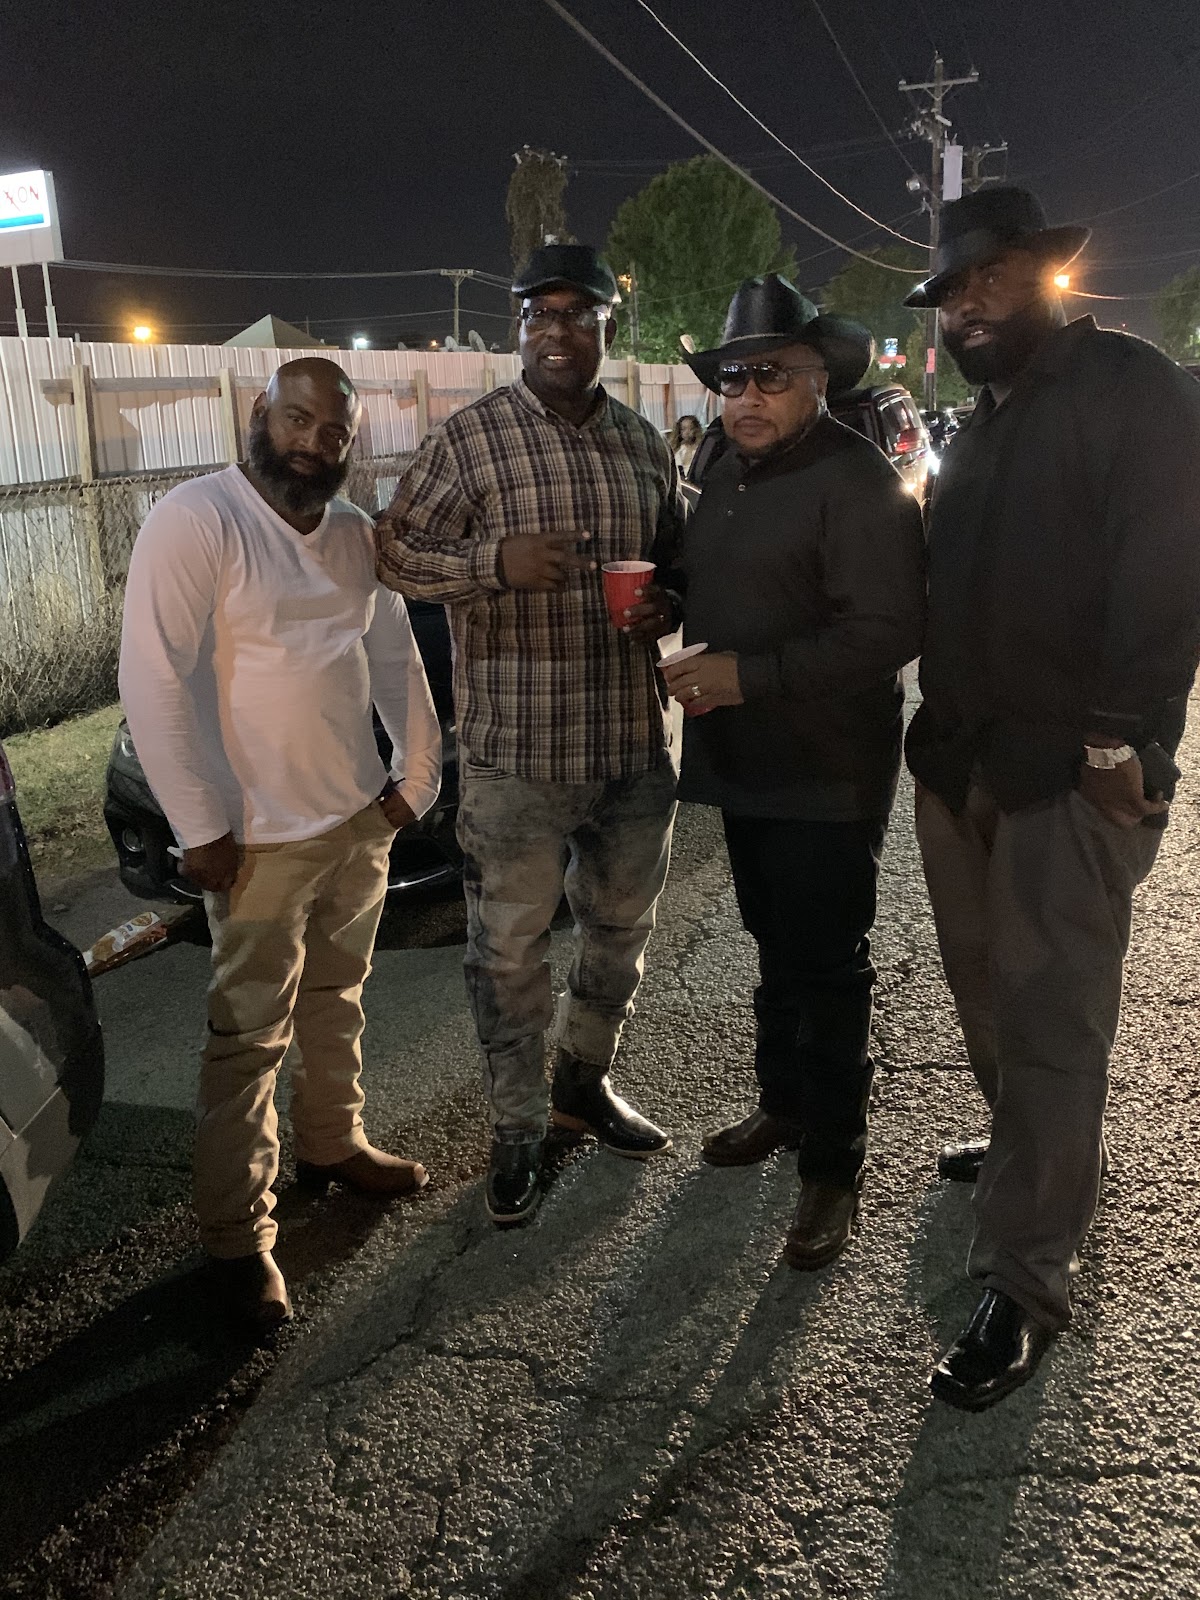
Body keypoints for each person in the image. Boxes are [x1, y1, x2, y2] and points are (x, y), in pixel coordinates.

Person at [904, 186, 1200, 1410]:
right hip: (960, 766)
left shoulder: (1129, 386)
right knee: (986, 993)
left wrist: (1122, 738)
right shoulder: (976, 426)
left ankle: (1026, 1284)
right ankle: (1031, 1146)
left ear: (1045, 272)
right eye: (952, 291)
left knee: (1055, 1017)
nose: (970, 305)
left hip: (1068, 777)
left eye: (993, 276)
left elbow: (1169, 567)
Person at [119, 358, 442, 1336]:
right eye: (296, 419)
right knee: (248, 1040)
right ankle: (237, 1235)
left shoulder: (351, 535)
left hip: (353, 823)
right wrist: (200, 827)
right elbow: (151, 677)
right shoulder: (197, 519)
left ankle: (332, 1141)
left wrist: (416, 780)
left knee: (338, 999)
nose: (312, 441)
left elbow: (394, 657)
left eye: (332, 431)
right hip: (255, 841)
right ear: (258, 413)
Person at [375, 244, 682, 1227]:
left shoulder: (643, 444)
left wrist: (669, 603)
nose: (556, 330)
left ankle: (584, 1080)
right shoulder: (470, 440)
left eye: (576, 313)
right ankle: (515, 1123)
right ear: (518, 330)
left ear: (605, 328)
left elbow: (678, 559)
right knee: (508, 954)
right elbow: (394, 551)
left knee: (620, 937)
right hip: (516, 757)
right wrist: (492, 564)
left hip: (630, 748)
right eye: (537, 315)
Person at [659, 275, 926, 1269]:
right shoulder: (724, 466)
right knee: (771, 942)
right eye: (733, 377)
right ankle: (782, 1104)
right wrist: (667, 601)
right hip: (743, 757)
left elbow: (887, 631)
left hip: (828, 768)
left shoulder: (856, 480)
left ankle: (833, 1163)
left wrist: (749, 674)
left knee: (827, 963)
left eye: (771, 374)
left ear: (818, 379)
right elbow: (718, 576)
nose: (747, 394)